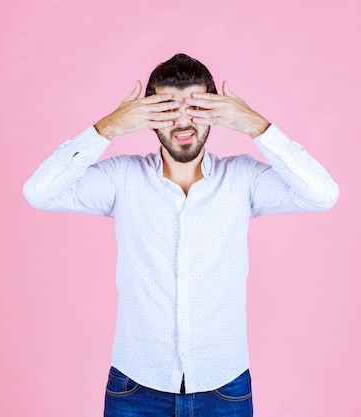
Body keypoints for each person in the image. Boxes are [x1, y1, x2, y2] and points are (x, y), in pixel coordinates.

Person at [23, 53, 339, 417]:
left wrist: (257, 126)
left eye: (196, 108)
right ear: (147, 116)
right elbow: (40, 192)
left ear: (216, 111)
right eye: (168, 109)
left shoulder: (243, 180)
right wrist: (106, 128)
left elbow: (323, 194)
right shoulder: (122, 179)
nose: (183, 122)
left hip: (224, 388)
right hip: (135, 387)